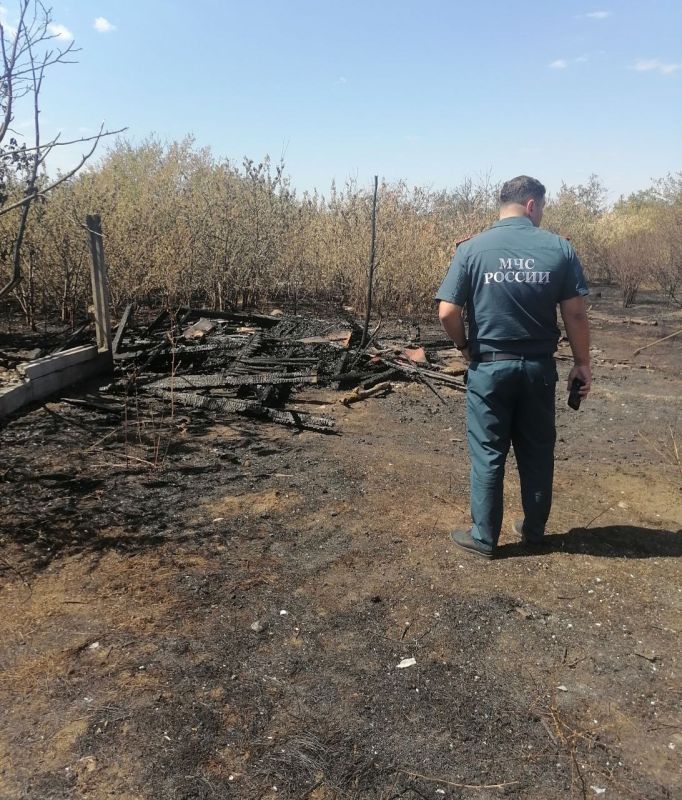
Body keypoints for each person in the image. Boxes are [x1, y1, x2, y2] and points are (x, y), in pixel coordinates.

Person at [436, 175, 591, 559]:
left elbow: (447, 311)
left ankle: (484, 538)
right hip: (539, 370)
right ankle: (534, 531)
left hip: (489, 368)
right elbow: (575, 313)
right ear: (532, 205)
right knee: (537, 450)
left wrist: (464, 346)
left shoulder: (472, 249)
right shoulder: (560, 249)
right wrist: (582, 363)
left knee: (489, 452)